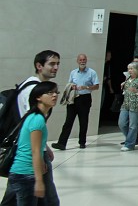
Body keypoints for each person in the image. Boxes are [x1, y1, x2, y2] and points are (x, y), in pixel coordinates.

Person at [1, 50, 61, 206]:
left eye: (57, 64)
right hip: (29, 152)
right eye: (52, 64)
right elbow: (32, 125)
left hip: (24, 152)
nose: (56, 68)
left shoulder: (32, 85)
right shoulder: (33, 90)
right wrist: (42, 152)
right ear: (39, 66)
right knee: (48, 198)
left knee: (17, 193)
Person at [53, 54, 99, 150]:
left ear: (86, 61)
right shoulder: (73, 72)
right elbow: (69, 83)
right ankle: (61, 143)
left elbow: (96, 86)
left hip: (85, 98)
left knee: (83, 121)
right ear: (77, 61)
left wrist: (86, 87)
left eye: (84, 59)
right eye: (80, 60)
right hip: (73, 98)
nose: (82, 61)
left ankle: (82, 142)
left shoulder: (92, 72)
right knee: (68, 121)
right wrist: (72, 86)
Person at [118, 62, 138, 151]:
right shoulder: (128, 79)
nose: (129, 71)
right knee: (122, 123)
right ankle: (130, 139)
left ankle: (129, 144)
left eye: (131, 69)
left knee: (133, 125)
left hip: (136, 105)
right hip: (126, 104)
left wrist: (136, 90)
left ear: (137, 70)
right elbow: (126, 91)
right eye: (128, 69)